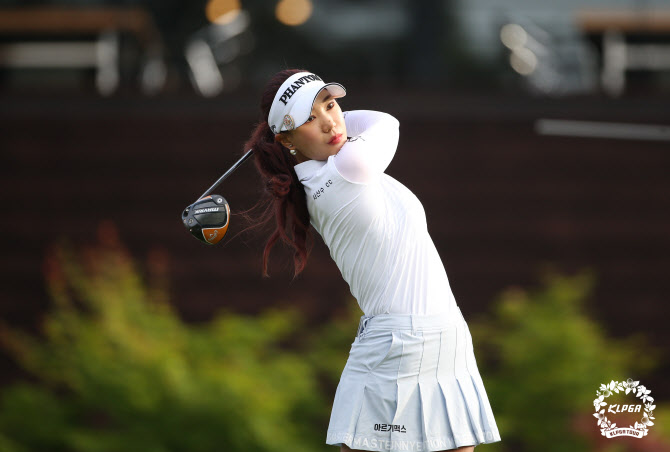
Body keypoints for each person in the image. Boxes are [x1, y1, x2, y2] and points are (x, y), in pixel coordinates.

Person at [243, 69, 502, 452]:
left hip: (443, 337)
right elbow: (386, 122)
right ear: (287, 139)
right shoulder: (345, 170)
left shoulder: (337, 166)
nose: (330, 122)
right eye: (310, 119)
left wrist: (303, 123)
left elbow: (366, 125)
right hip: (401, 346)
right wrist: (303, 124)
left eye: (330, 105)